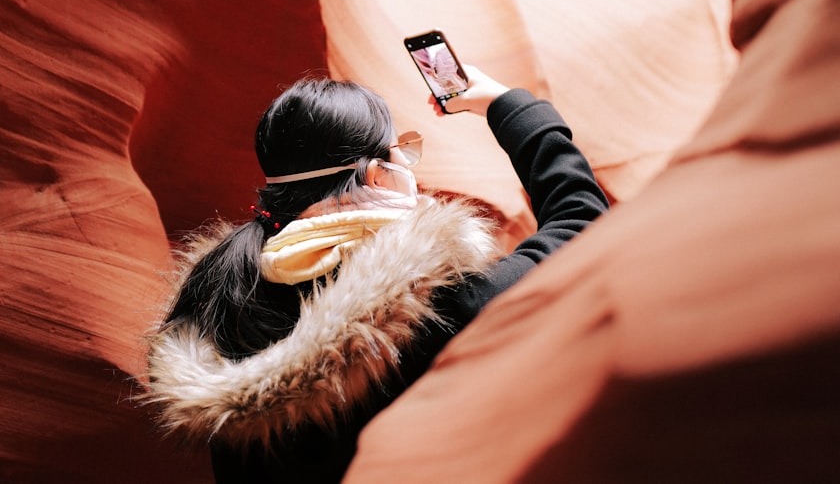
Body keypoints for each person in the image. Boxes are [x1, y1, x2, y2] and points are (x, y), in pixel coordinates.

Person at [144, 64, 610, 483]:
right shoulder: (435, 307)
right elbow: (581, 221)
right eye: (401, 153)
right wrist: (504, 103)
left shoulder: (221, 308)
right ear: (377, 176)